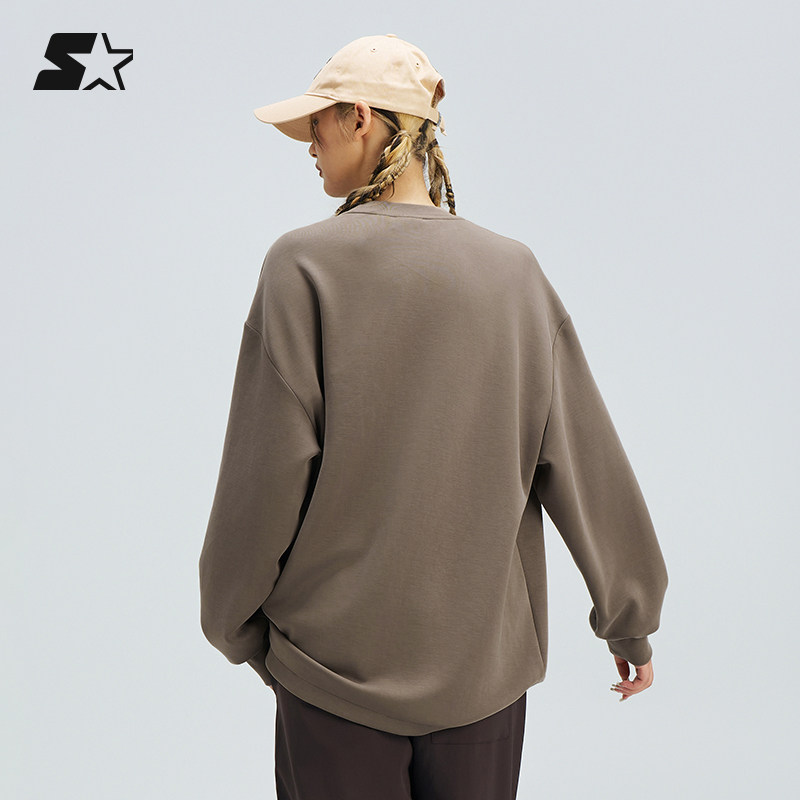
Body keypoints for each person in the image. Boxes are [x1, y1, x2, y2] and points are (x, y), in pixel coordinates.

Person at [198, 33, 669, 800]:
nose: (308, 145)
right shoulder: (513, 275)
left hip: (330, 677)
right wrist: (629, 618)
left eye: (316, 124)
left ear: (360, 117)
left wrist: (234, 624)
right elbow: (583, 460)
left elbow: (263, 476)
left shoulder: (301, 267)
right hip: (482, 673)